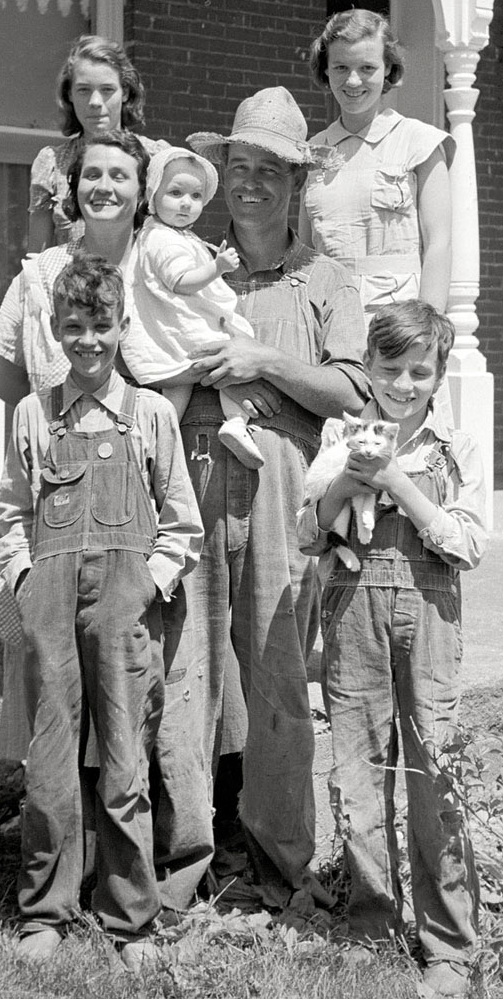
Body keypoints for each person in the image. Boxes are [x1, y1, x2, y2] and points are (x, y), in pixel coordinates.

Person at [0, 132, 215, 913]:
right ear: (55, 330)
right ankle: (45, 907)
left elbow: (182, 523)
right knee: (51, 761)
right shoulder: (32, 415)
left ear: (123, 331)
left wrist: (151, 582)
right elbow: (12, 511)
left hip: (126, 606)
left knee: (124, 761)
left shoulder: (149, 414)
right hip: (49, 603)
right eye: (73, 330)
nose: (87, 343)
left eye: (102, 329)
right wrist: (23, 576)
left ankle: (129, 908)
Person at [172, 86, 368, 894]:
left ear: (297, 184)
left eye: (271, 171)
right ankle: (180, 866)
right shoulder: (188, 267)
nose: (251, 182)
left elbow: (357, 392)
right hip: (191, 482)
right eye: (240, 167)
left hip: (285, 495)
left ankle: (280, 871)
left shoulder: (326, 280)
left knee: (277, 680)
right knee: (187, 676)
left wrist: (267, 366)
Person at [302, 301, 488, 998]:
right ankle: (372, 920)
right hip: (352, 610)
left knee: (433, 772)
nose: (404, 384)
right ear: (370, 370)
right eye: (390, 370)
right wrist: (351, 479)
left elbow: (467, 544)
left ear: (438, 375)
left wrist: (400, 484)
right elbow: (307, 529)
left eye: (419, 372)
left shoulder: (454, 445)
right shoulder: (340, 433)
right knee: (358, 769)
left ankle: (449, 941)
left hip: (428, 610)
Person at [299, 9, 454, 320]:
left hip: (396, 323)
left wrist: (425, 330)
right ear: (326, 71)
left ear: (388, 70)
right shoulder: (313, 151)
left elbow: (439, 244)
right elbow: (305, 249)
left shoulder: (419, 143)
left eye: (367, 67)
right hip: (326, 317)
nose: (353, 80)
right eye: (341, 67)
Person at [123, 145, 263, 469]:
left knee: (176, 395)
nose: (186, 203)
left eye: (196, 196)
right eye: (175, 193)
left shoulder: (174, 234)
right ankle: (236, 422)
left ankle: (158, 445)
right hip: (184, 331)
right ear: (152, 194)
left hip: (176, 333)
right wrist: (217, 268)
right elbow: (181, 280)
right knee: (232, 353)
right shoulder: (162, 238)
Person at [0, 128, 149, 406]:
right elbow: (7, 385)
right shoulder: (41, 274)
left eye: (119, 176)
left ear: (143, 192)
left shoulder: (168, 268)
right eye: (92, 175)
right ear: (75, 188)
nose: (104, 187)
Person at [27, 34, 167, 254]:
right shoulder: (52, 162)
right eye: (83, 90)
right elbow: (36, 257)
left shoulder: (155, 157)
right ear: (69, 95)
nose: (94, 102)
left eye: (107, 90)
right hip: (71, 283)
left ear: (125, 92)